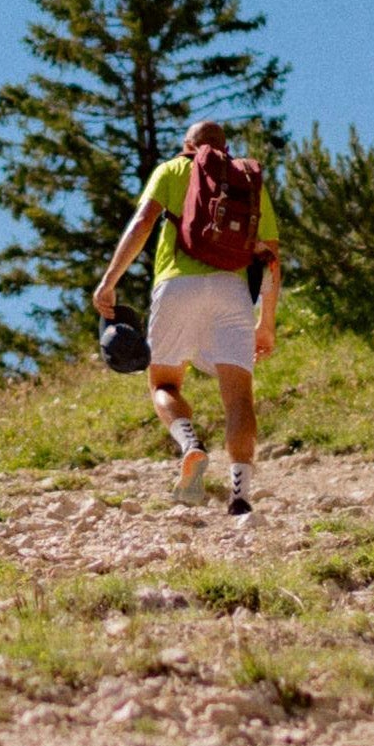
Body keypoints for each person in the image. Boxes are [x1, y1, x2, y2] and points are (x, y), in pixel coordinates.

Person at [92, 119, 284, 519]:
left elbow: (143, 222)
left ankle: (191, 445)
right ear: (225, 147)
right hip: (232, 293)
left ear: (187, 145)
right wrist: (266, 322)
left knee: (164, 382)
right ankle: (240, 496)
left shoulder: (173, 169)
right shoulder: (248, 183)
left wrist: (109, 282)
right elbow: (270, 258)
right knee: (238, 398)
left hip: (177, 286)